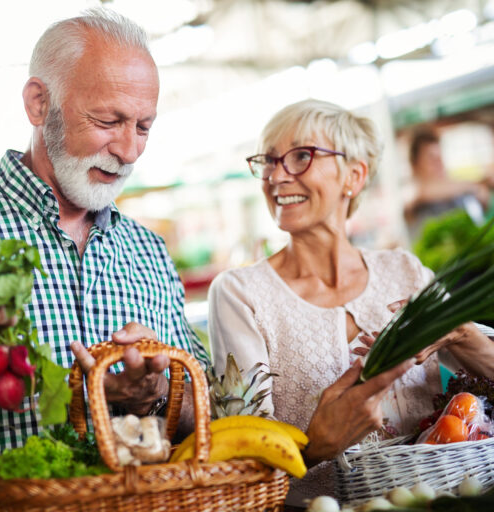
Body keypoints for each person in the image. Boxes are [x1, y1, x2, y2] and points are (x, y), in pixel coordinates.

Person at [208, 99, 494, 507]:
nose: (275, 176)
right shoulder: (240, 293)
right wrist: (315, 446)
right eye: (268, 161)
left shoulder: (406, 272)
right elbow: (242, 456)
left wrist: (461, 335)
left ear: (353, 176)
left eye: (301, 156)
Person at [0, 8, 209, 465]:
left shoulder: (148, 251)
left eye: (143, 127)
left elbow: (209, 417)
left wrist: (159, 392)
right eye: (109, 121)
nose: (128, 151)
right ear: (38, 104)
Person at [404, 129, 493, 240]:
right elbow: (423, 192)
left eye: (440, 157)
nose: (439, 164)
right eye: (432, 159)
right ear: (415, 164)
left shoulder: (454, 192)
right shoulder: (409, 193)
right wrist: (474, 186)